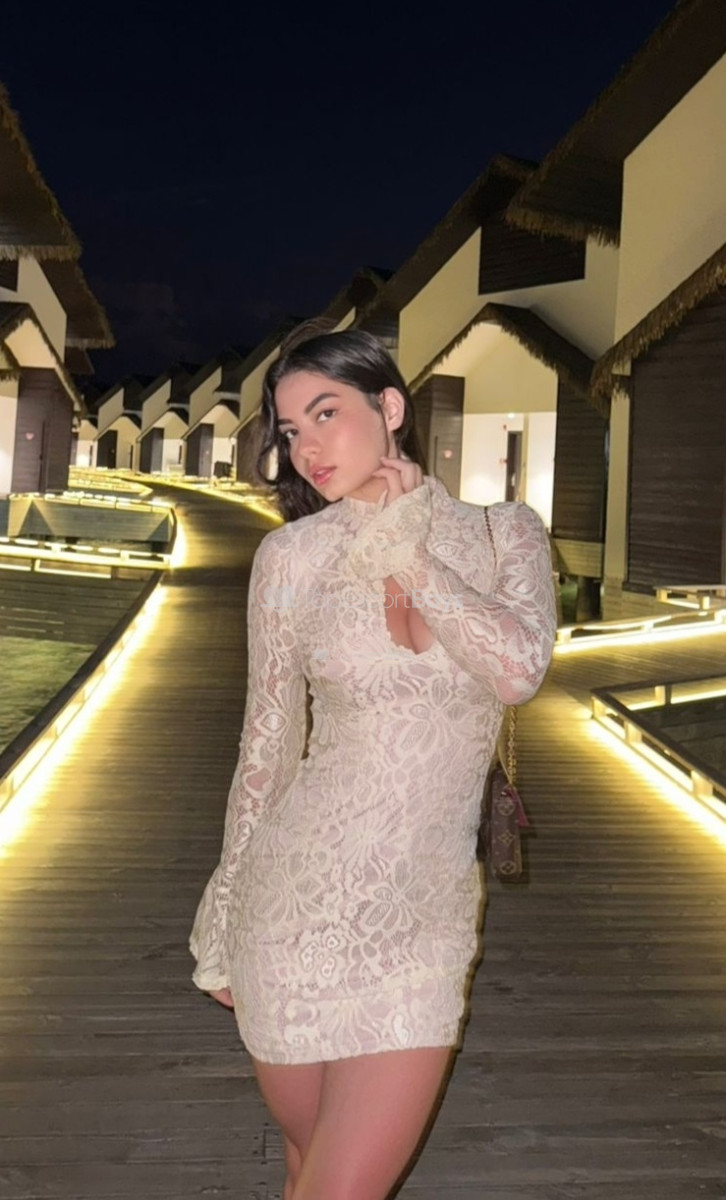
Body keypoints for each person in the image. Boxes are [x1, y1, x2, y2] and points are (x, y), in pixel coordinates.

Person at [190, 326, 556, 1200]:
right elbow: (267, 745)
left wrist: (406, 553)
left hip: (422, 921)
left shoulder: (505, 533)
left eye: (326, 414)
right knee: (306, 1171)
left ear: (390, 407)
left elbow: (518, 670)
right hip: (290, 906)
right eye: (289, 430)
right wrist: (224, 912)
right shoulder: (290, 558)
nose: (306, 448)